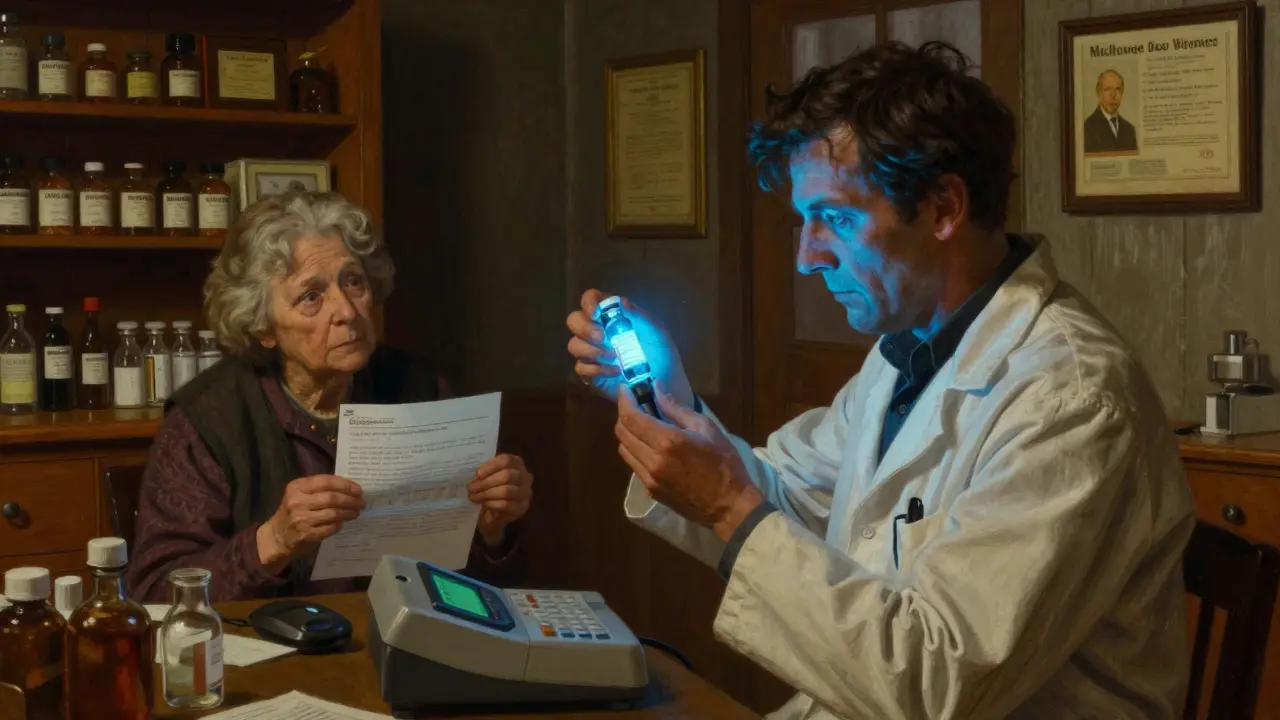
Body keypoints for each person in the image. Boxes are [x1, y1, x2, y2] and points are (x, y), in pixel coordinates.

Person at [567, 42, 1193, 719]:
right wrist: (666, 401)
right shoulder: (912, 352)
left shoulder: (1072, 400)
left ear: (943, 206)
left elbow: (938, 684)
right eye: (803, 222)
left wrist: (726, 509)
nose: (807, 258)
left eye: (833, 218)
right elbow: (789, 500)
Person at [128, 190, 533, 603]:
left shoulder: (420, 387)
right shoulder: (207, 420)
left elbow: (488, 591)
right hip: (268, 657)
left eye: (353, 281)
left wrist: (492, 530)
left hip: (406, 640)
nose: (346, 309)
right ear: (263, 328)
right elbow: (157, 595)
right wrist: (272, 541)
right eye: (311, 296)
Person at [1083, 69, 1138, 153]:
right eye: (1107, 89)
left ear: (1122, 93)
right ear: (1099, 93)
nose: (1113, 95)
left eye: (1117, 89)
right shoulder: (1087, 128)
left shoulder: (1129, 130)